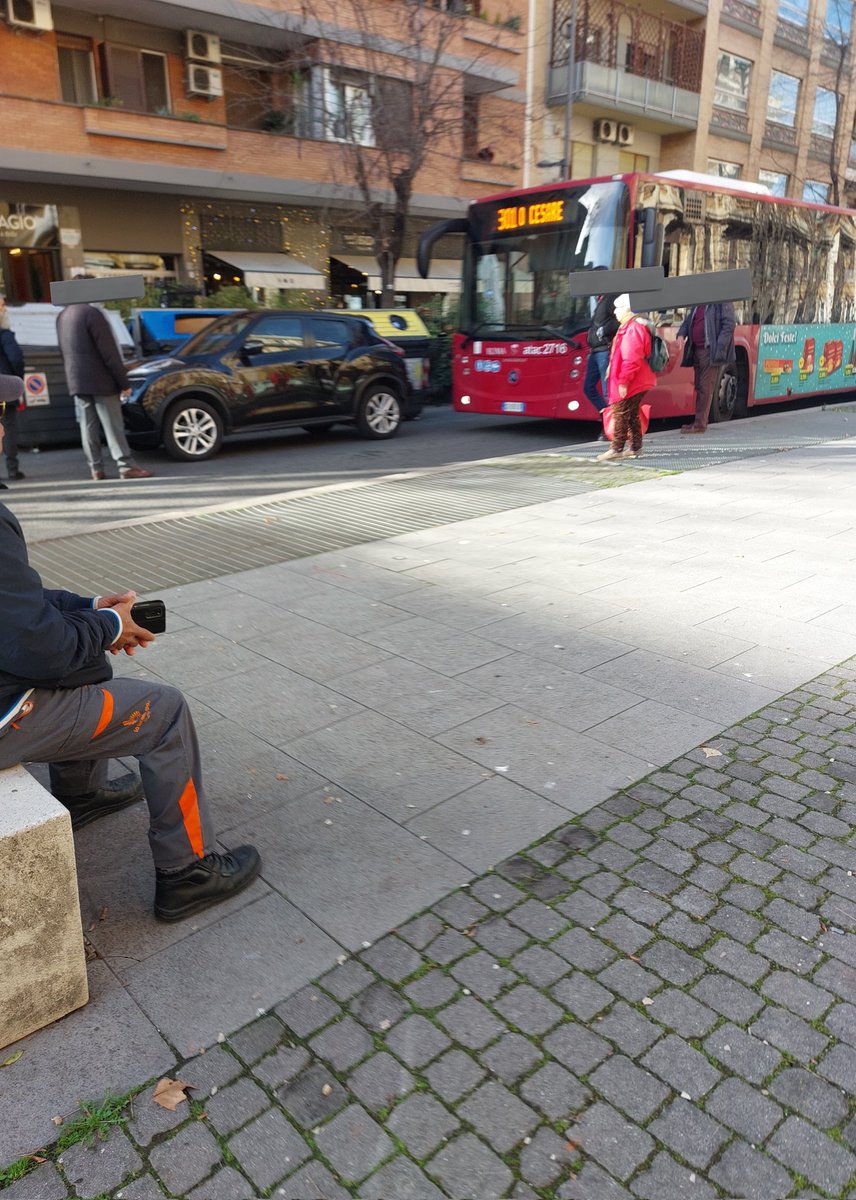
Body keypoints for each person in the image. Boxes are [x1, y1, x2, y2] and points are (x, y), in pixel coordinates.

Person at [0, 375, 259, 920]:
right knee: (164, 713)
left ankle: (82, 796)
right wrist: (109, 626)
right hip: (6, 714)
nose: (2, 427)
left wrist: (93, 607)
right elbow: (38, 648)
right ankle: (187, 870)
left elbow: (18, 602)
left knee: (86, 654)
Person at [56, 302, 153, 481]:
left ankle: (96, 468)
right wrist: (123, 382)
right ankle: (126, 466)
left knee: (87, 425)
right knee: (112, 424)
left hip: (77, 379)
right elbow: (109, 352)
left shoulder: (63, 315)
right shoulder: (93, 314)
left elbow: (63, 351)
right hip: (101, 379)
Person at [597, 293, 656, 462]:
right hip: (635, 380)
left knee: (620, 413)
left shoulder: (633, 329)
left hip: (631, 381)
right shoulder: (630, 327)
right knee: (631, 414)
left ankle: (616, 449)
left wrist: (623, 381)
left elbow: (632, 359)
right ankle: (636, 448)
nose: (615, 312)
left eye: (618, 309)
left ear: (628, 311)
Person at [677, 302, 736, 433]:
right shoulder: (700, 300)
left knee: (705, 387)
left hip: (709, 350)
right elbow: (689, 320)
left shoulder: (722, 301)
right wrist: (681, 334)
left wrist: (719, 348)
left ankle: (700, 424)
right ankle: (698, 421)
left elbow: (729, 324)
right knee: (699, 386)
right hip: (696, 349)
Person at [583, 278, 619, 432]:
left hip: (604, 350)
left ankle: (613, 428)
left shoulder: (611, 297)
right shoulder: (600, 298)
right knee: (588, 388)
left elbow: (618, 320)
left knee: (607, 391)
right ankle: (608, 420)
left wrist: (604, 330)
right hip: (595, 351)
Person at [0, 297, 25, 486]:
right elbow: (15, 358)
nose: (5, 309)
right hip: (4, 387)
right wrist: (17, 380)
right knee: (7, 429)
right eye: (1, 306)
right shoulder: (5, 334)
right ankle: (12, 469)